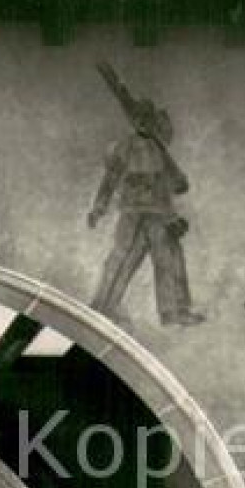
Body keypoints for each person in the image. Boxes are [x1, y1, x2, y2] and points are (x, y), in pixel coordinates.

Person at [87, 99, 201, 327]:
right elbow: (109, 181)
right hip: (133, 213)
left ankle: (174, 312)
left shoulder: (160, 149)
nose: (144, 122)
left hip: (160, 214)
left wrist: (174, 204)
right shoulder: (125, 147)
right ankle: (102, 307)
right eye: (140, 117)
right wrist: (99, 207)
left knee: (169, 259)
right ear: (134, 120)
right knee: (121, 258)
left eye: (148, 118)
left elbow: (177, 184)